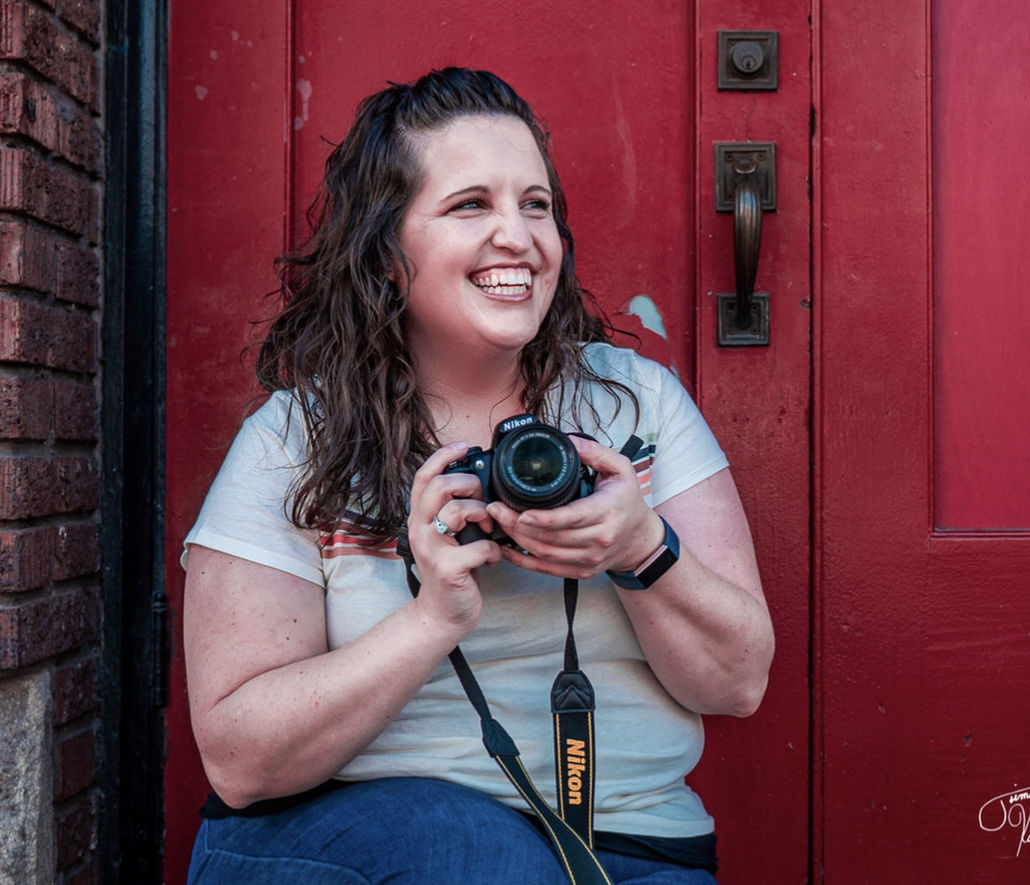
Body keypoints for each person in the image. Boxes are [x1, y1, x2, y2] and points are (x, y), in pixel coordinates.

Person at [182, 67, 774, 884]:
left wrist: (641, 547)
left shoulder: (633, 403)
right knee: (476, 856)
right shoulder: (297, 436)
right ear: (387, 252)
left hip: (625, 848)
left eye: (535, 205)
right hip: (358, 836)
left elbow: (738, 683)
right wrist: (433, 616)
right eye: (471, 205)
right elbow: (241, 760)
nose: (518, 236)